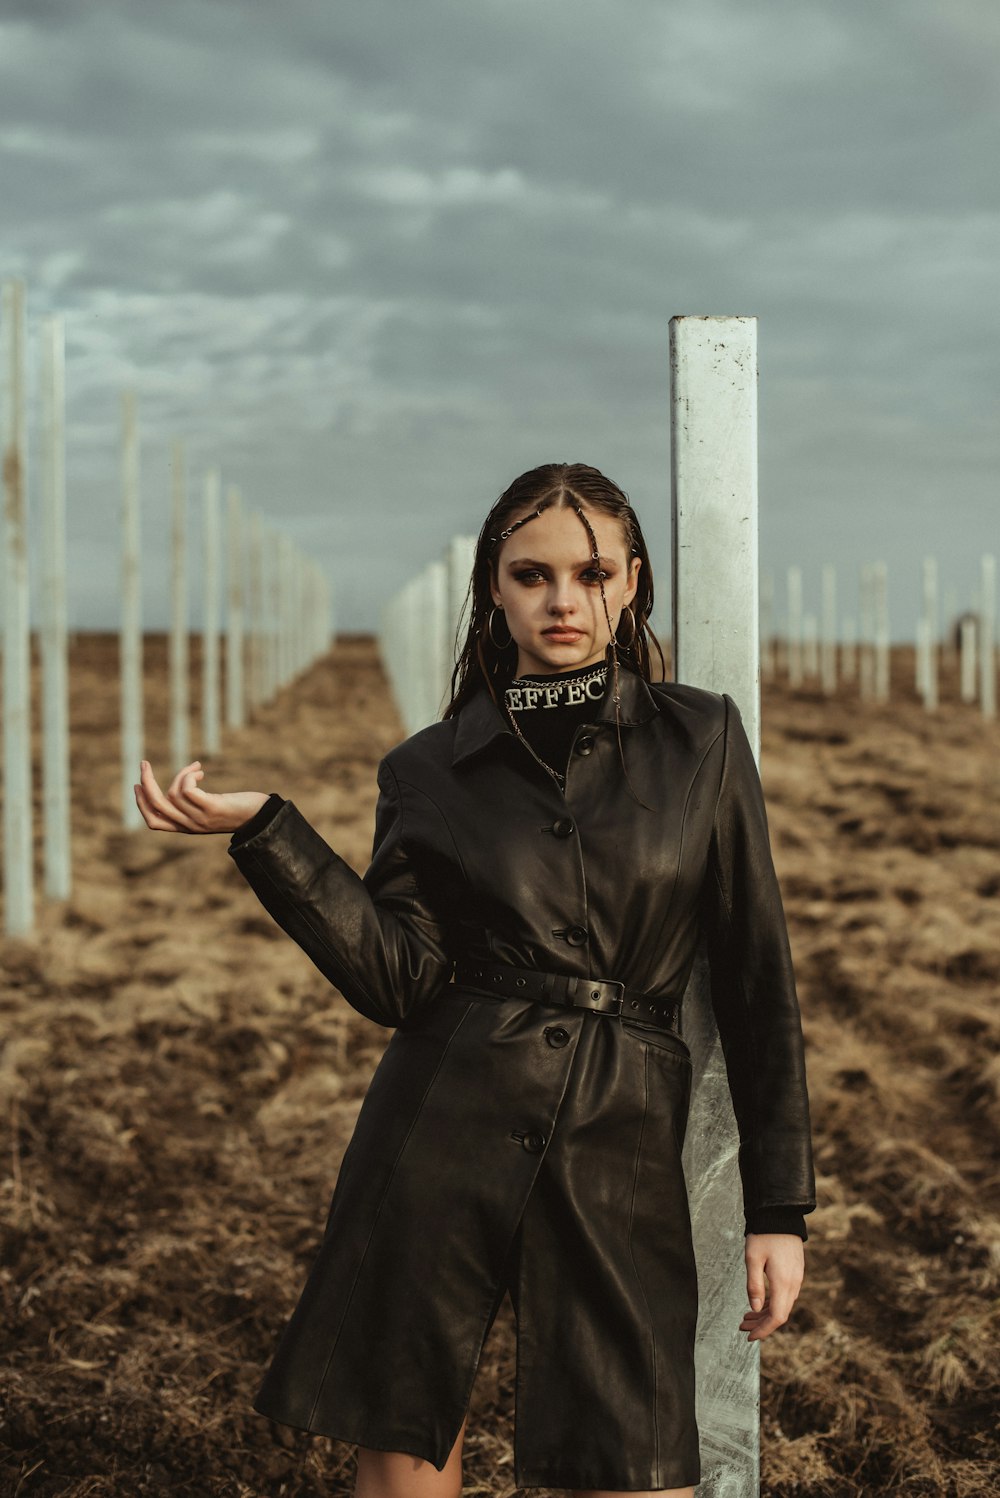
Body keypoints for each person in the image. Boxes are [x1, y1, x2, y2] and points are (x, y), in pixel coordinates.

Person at [134, 462, 816, 1498]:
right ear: (493, 589)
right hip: (436, 1129)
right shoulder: (428, 767)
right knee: (408, 1447)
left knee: (632, 1463)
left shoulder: (701, 741)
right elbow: (401, 979)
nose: (561, 600)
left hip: (617, 1135)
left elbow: (758, 979)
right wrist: (271, 834)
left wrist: (779, 1207)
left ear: (630, 583)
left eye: (589, 574)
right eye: (530, 574)